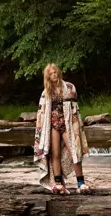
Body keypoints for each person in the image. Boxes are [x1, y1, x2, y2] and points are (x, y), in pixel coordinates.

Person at [34, 63, 90, 194]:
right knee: (55, 153)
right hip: (53, 125)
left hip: (68, 124)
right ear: (47, 76)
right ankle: (58, 184)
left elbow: (75, 109)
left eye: (55, 72)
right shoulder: (45, 92)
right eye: (51, 73)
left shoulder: (70, 88)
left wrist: (77, 126)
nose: (54, 75)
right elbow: (41, 113)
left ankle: (81, 183)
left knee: (75, 151)